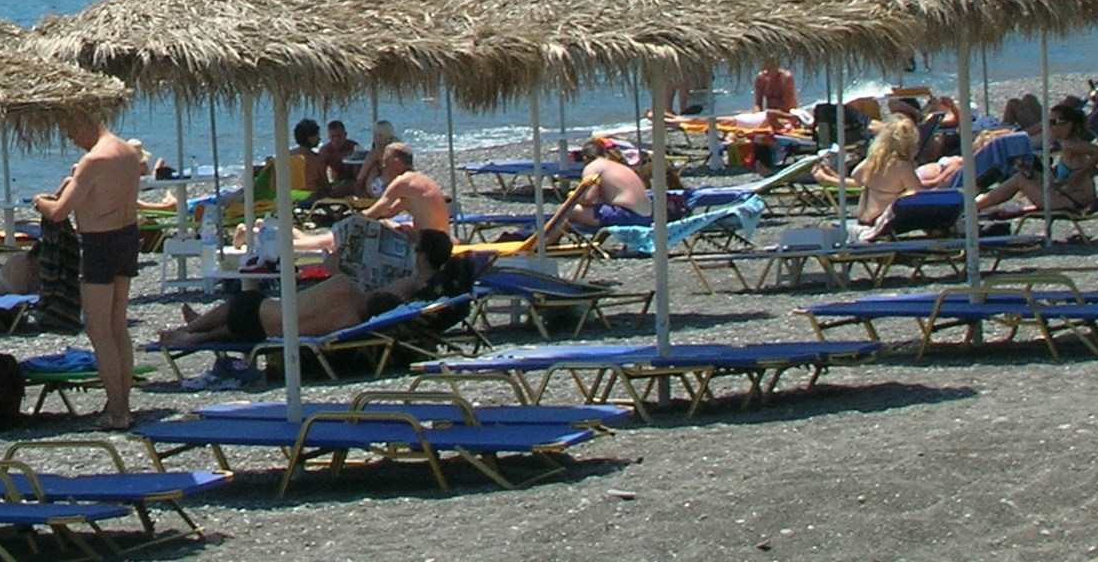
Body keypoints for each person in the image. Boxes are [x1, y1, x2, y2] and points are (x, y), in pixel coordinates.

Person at [158, 230, 467, 353]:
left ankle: (190, 328)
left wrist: (335, 267)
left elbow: (377, 293)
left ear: (421, 255)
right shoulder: (421, 293)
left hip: (269, 317)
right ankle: (196, 334)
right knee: (249, 321)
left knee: (245, 302)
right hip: (284, 327)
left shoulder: (395, 288)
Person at [34, 114, 144, 431]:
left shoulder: (94, 159)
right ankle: (120, 403)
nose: (71, 139)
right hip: (127, 236)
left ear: (85, 122)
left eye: (71, 131)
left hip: (100, 243)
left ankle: (119, 412)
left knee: (100, 331)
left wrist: (39, 201)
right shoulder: (127, 152)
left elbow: (58, 212)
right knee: (117, 325)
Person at [980, 98, 1098, 217]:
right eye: (1048, 122)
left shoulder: (1072, 145)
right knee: (1028, 175)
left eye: (1053, 123)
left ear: (1068, 125)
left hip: (1072, 202)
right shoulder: (1068, 144)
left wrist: (1081, 174)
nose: (1049, 127)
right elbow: (1064, 179)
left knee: (1019, 179)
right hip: (1069, 197)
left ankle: (974, 206)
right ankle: (978, 205)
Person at [816, 112, 921, 236]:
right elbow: (919, 194)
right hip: (883, 223)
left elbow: (856, 176)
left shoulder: (874, 160)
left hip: (864, 219)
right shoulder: (902, 166)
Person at [534, 136, 653, 243]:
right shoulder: (618, 166)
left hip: (629, 215)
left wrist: (573, 196)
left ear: (585, 157)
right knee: (578, 210)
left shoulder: (593, 167)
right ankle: (554, 238)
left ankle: (547, 242)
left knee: (570, 210)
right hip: (647, 216)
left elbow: (588, 199)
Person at [349, 121, 400, 196]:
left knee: (373, 168)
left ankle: (364, 194)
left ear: (379, 135)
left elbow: (361, 175)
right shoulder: (399, 147)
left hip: (381, 189)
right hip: (398, 185)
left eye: (375, 134)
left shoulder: (377, 151)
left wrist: (358, 188)